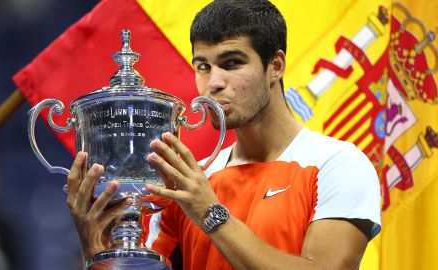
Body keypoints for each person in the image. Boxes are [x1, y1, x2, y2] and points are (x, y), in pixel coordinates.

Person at [66, 0, 381, 269]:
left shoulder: (339, 164)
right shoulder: (186, 184)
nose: (213, 82)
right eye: (203, 66)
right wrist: (95, 248)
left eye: (231, 63)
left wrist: (209, 212)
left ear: (276, 65)